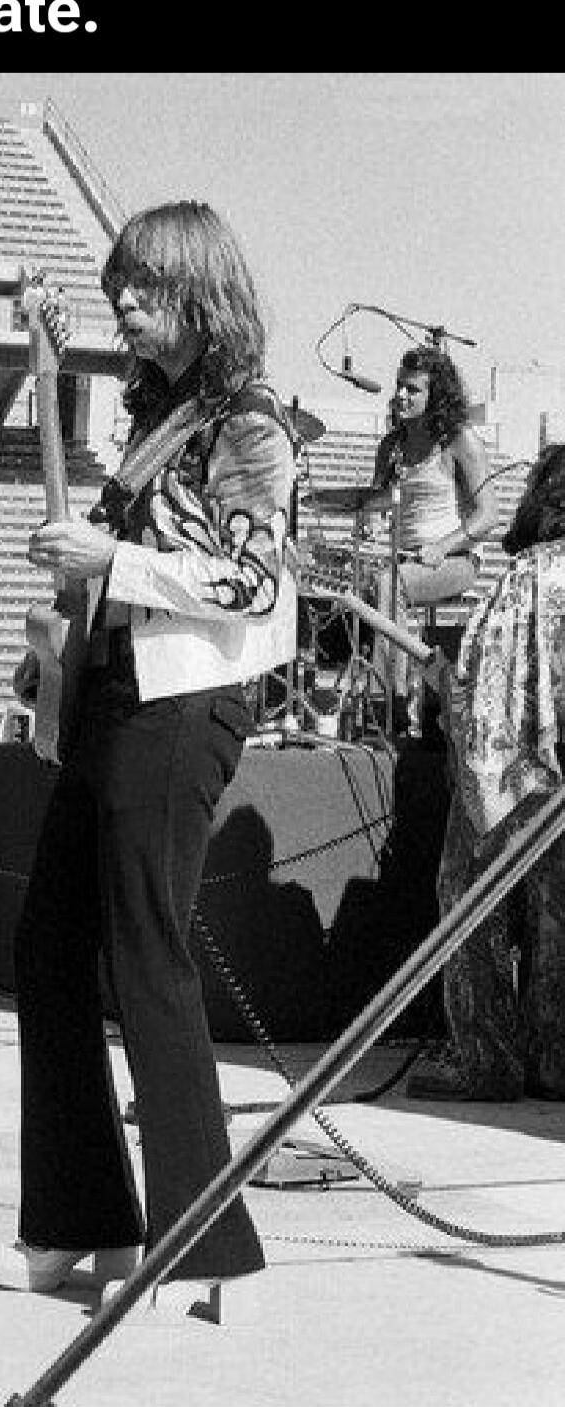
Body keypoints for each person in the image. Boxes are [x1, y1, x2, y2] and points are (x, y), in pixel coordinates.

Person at [0, 201, 298, 1319]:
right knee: (50, 944)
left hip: (188, 699)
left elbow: (256, 585)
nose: (126, 300)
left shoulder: (250, 423)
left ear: (201, 292)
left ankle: (202, 1244)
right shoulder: (160, 418)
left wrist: (111, 555)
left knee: (144, 951)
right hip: (118, 693)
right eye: (119, 283)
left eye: (146, 285)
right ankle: (80, 1221)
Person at [407, 444, 565, 1101]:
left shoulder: (529, 574)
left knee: (469, 899)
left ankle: (490, 1057)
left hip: (523, 783)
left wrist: (439, 679)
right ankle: (558, 1060)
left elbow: (486, 695)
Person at [316, 346, 497, 725]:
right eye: (399, 386)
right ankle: (334, 691)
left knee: (388, 583)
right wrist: (365, 518)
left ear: (435, 396)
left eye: (412, 389)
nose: (400, 395)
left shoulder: (459, 440)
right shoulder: (392, 446)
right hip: (405, 557)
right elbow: (378, 500)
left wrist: (442, 546)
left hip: (456, 559)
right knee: (347, 586)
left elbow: (488, 517)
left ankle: (391, 703)